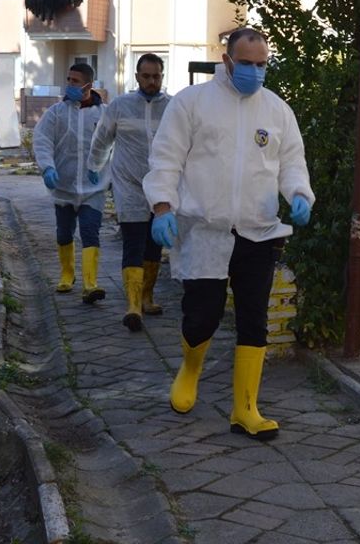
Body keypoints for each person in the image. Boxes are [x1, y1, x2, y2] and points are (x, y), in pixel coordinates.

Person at [143, 28, 314, 441]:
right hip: (205, 229)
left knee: (255, 317)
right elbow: (165, 158)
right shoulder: (192, 103)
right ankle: (190, 368)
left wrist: (299, 194)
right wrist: (163, 206)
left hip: (259, 230)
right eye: (248, 63)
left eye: (262, 64)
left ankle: (246, 409)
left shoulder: (277, 111)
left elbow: (291, 161)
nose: (255, 72)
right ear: (227, 60)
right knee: (203, 314)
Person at [88, 53, 171, 332]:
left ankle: (147, 297)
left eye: (156, 76)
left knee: (154, 244)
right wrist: (94, 166)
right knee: (133, 242)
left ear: (162, 76)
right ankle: (133, 304)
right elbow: (102, 139)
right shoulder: (121, 106)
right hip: (128, 185)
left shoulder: (172, 107)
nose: (151, 81)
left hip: (160, 187)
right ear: (137, 77)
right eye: (146, 76)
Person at [34, 61, 110, 304]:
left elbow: (113, 145)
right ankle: (67, 274)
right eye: (68, 80)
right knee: (64, 232)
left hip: (93, 187)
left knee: (90, 231)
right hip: (63, 186)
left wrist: (104, 169)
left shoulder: (104, 114)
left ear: (88, 85)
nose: (70, 85)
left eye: (75, 81)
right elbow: (42, 140)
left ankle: (90, 284)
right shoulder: (56, 112)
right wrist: (47, 167)